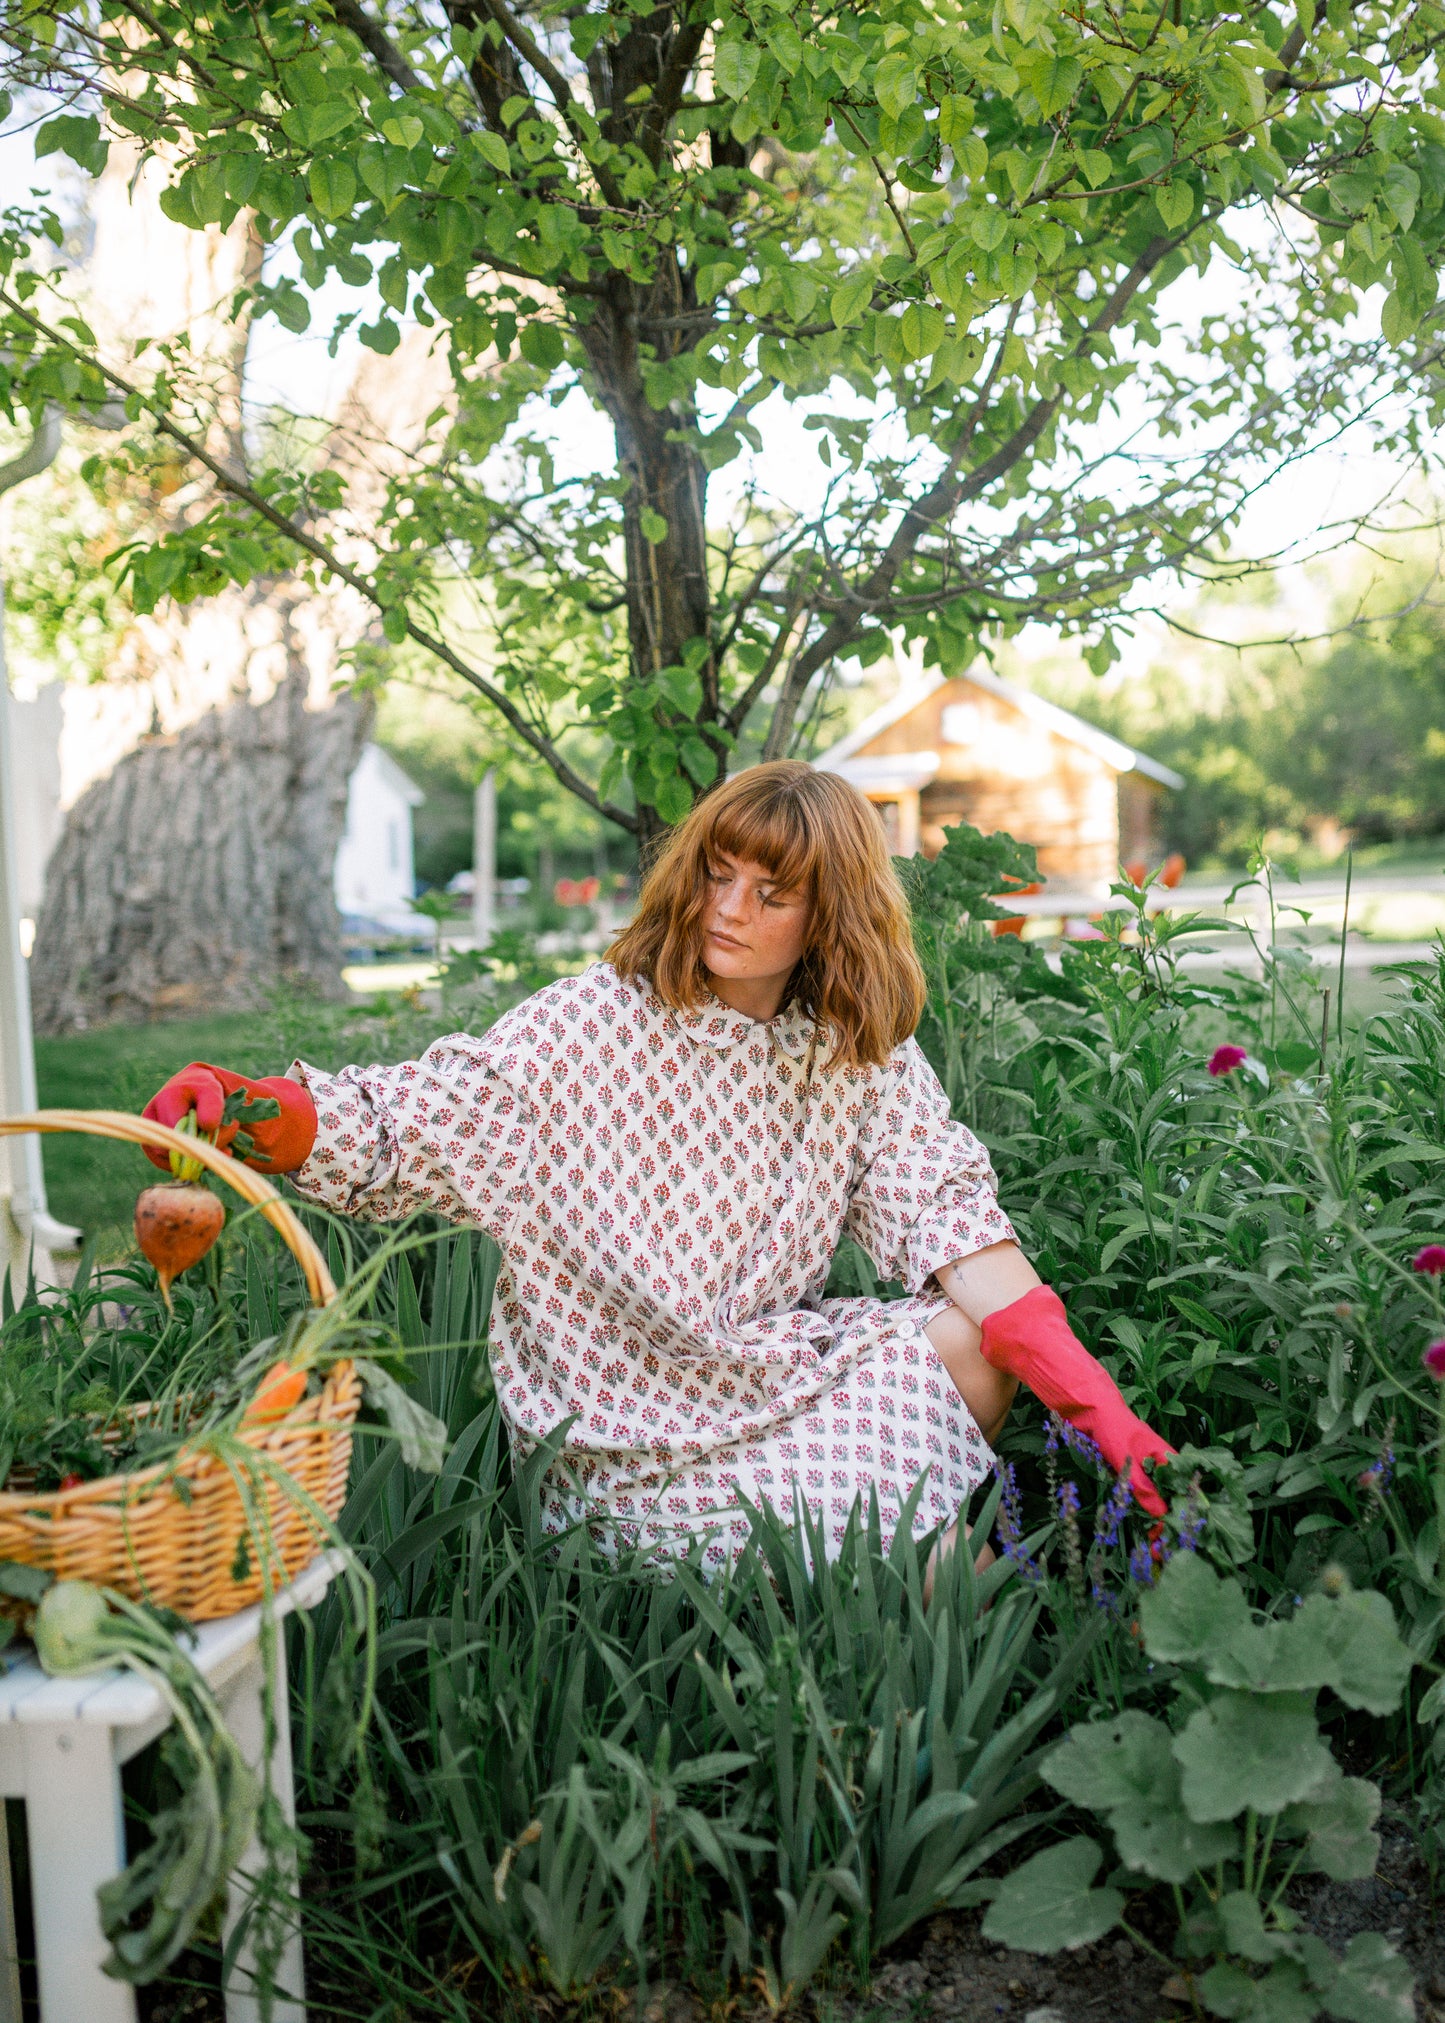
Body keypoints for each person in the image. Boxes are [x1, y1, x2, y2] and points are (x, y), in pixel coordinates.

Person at [143, 762, 1172, 1588]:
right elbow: (408, 1122)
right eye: (716, 872)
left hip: (767, 1382)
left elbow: (950, 1224)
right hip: (622, 1440)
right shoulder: (592, 1024)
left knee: (971, 1345)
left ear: (829, 918)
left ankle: (913, 1563)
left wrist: (1094, 1404)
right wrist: (248, 1110)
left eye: (769, 893)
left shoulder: (851, 1052)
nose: (725, 908)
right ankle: (948, 1585)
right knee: (944, 1573)